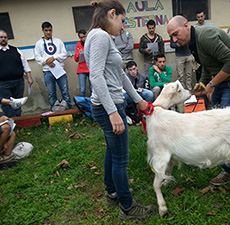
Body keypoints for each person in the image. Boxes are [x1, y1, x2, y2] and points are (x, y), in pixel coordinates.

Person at [84, 0, 155, 220]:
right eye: (122, 21)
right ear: (112, 14)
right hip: (109, 106)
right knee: (121, 159)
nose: (123, 27)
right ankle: (127, 206)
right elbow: (95, 75)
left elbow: (120, 75)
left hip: (111, 104)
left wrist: (138, 100)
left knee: (112, 152)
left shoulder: (102, 37)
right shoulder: (100, 36)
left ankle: (113, 192)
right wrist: (113, 112)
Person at [167, 15, 230, 185]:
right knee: (216, 118)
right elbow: (207, 64)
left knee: (226, 122)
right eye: (171, 37)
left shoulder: (206, 36)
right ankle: (225, 158)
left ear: (186, 25)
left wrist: (212, 84)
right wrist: (203, 83)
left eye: (176, 34)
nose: (175, 40)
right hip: (221, 76)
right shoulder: (193, 43)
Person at [34, 21, 72, 110]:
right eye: (46, 30)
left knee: (65, 91)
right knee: (51, 93)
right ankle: (54, 113)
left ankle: (70, 111)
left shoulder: (58, 41)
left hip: (60, 70)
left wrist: (54, 57)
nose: (48, 32)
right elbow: (37, 57)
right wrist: (47, 61)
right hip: (47, 71)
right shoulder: (39, 43)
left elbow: (64, 54)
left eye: (50, 30)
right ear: (42, 30)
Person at [0, 30, 33, 117]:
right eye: (1, 37)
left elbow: (25, 64)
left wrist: (29, 77)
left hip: (18, 81)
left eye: (5, 37)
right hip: (3, 84)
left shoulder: (15, 50)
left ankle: (18, 121)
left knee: (18, 103)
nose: (3, 39)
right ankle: (12, 124)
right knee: (7, 104)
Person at [74, 29, 92, 97]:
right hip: (82, 69)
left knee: (93, 88)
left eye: (84, 37)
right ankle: (82, 104)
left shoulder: (90, 42)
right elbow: (76, 59)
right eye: (81, 38)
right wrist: (79, 53)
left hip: (91, 67)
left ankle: (94, 104)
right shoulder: (78, 44)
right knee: (82, 89)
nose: (83, 39)